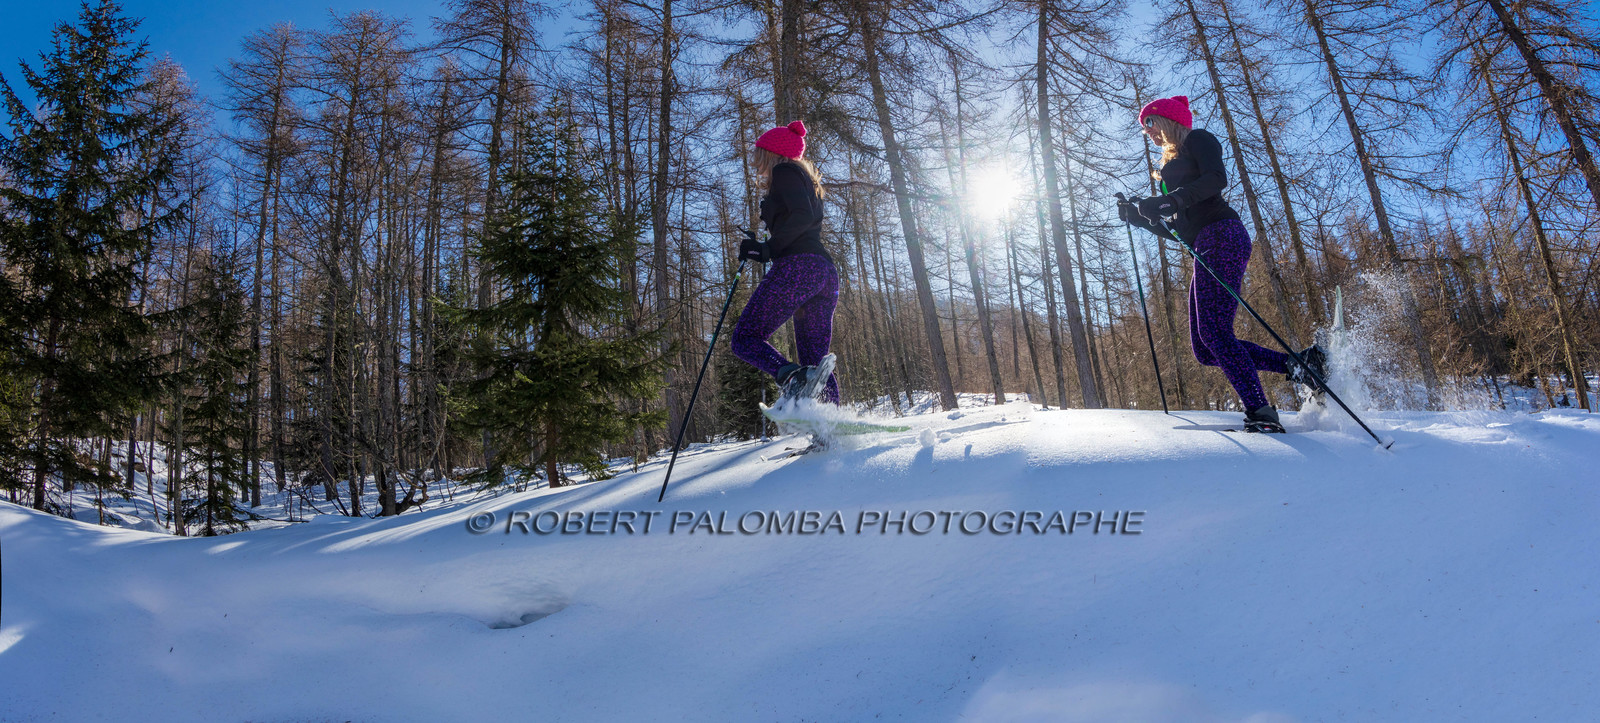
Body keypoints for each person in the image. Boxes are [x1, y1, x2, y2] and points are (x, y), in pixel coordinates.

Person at [1116, 95, 1323, 432]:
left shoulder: (1199, 140)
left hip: (1223, 235)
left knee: (1215, 332)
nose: (1147, 132)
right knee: (1204, 347)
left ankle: (1260, 411)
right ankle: (1300, 366)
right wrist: (1142, 217)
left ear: (1169, 119)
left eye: (1150, 122)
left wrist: (1168, 200)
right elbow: (1180, 231)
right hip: (1202, 245)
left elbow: (1216, 179)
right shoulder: (1170, 170)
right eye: (1143, 128)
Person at [731, 120, 839, 405]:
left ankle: (791, 378)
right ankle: (831, 433)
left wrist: (768, 249)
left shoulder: (785, 171)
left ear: (772, 153)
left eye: (759, 155)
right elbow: (802, 220)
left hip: (799, 267)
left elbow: (800, 217)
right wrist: (762, 248)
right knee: (816, 362)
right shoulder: (805, 180)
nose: (756, 163)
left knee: (745, 338)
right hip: (823, 272)